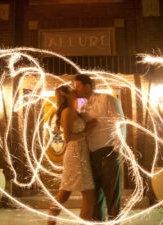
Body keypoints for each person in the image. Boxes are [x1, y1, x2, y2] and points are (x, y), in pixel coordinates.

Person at [74, 74, 126, 221]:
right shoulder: (82, 106)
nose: (75, 89)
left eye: (77, 86)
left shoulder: (107, 99)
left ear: (87, 86)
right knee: (95, 198)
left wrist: (117, 151)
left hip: (108, 151)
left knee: (112, 197)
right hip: (90, 156)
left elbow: (119, 123)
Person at [47, 85, 97, 225]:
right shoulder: (67, 111)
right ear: (65, 94)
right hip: (76, 154)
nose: (74, 90)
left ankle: (51, 223)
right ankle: (51, 223)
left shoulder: (73, 109)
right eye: (71, 89)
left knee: (65, 193)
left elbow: (83, 101)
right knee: (88, 196)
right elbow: (68, 137)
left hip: (80, 153)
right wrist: (88, 130)